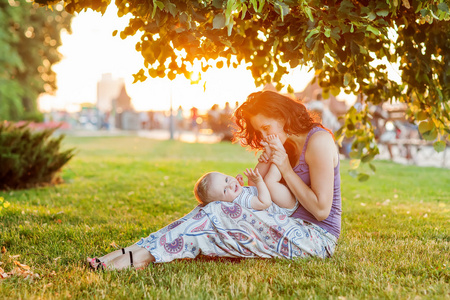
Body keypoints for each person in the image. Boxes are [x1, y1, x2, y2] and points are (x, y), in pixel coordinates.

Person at [87, 90, 341, 271]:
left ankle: (143, 257)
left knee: (220, 211)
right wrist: (267, 160)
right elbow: (252, 196)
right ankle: (132, 252)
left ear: (282, 116)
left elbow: (321, 210)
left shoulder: (318, 141)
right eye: (259, 131)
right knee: (209, 207)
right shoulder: (283, 143)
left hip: (315, 240)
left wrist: (284, 167)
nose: (264, 135)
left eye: (266, 128)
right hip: (285, 225)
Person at [194, 167, 298, 216]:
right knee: (269, 180)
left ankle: (276, 155)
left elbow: (249, 194)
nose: (230, 185)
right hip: (284, 207)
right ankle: (280, 153)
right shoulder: (241, 200)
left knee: (268, 179)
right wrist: (259, 182)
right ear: (222, 202)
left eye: (226, 179)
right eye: (225, 190)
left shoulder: (236, 197)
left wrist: (240, 186)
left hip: (281, 199)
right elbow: (265, 202)